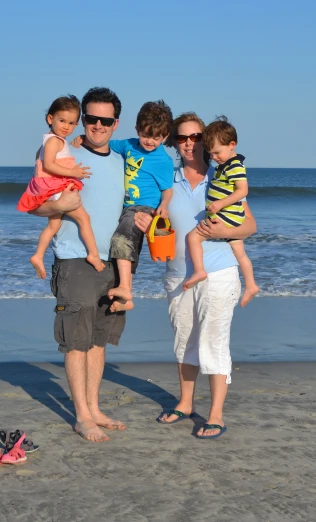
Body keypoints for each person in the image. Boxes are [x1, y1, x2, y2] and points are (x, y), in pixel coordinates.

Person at [135, 112, 257, 439]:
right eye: (181, 137)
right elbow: (152, 215)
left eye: (196, 137)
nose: (189, 143)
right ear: (174, 142)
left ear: (206, 139)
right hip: (177, 274)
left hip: (218, 273)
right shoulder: (168, 179)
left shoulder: (221, 177)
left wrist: (221, 228)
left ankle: (215, 413)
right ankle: (186, 403)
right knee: (185, 340)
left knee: (214, 342)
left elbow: (250, 225)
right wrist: (146, 222)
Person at [31, 87, 128, 443]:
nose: (97, 125)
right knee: (76, 341)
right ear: (82, 119)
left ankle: (95, 408)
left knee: (99, 340)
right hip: (74, 259)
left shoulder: (121, 161)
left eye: (106, 120)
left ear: (115, 123)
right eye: (91, 118)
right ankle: (81, 416)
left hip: (113, 261)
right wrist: (58, 206)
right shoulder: (61, 151)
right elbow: (34, 203)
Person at [97, 100, 174, 312]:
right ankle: (126, 298)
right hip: (125, 207)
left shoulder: (163, 161)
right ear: (137, 129)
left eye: (156, 137)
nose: (150, 141)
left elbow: (167, 189)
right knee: (129, 246)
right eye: (146, 135)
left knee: (121, 239)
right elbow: (104, 144)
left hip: (144, 208)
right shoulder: (129, 145)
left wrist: (164, 206)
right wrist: (82, 139)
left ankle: (124, 287)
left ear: (165, 137)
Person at [17, 95, 105, 279]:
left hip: (51, 188)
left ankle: (38, 255)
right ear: (50, 119)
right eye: (62, 120)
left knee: (53, 225)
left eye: (72, 123)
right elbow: (48, 165)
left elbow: (38, 163)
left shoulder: (51, 141)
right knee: (84, 219)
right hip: (56, 189)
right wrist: (72, 173)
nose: (66, 126)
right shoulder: (54, 141)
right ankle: (94, 255)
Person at [182, 117, 259, 307]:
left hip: (226, 216)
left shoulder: (235, 166)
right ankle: (251, 285)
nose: (215, 157)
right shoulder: (225, 166)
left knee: (193, 238)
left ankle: (199, 270)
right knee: (240, 254)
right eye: (212, 154)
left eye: (217, 152)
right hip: (230, 217)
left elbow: (243, 191)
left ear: (232, 144)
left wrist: (219, 204)